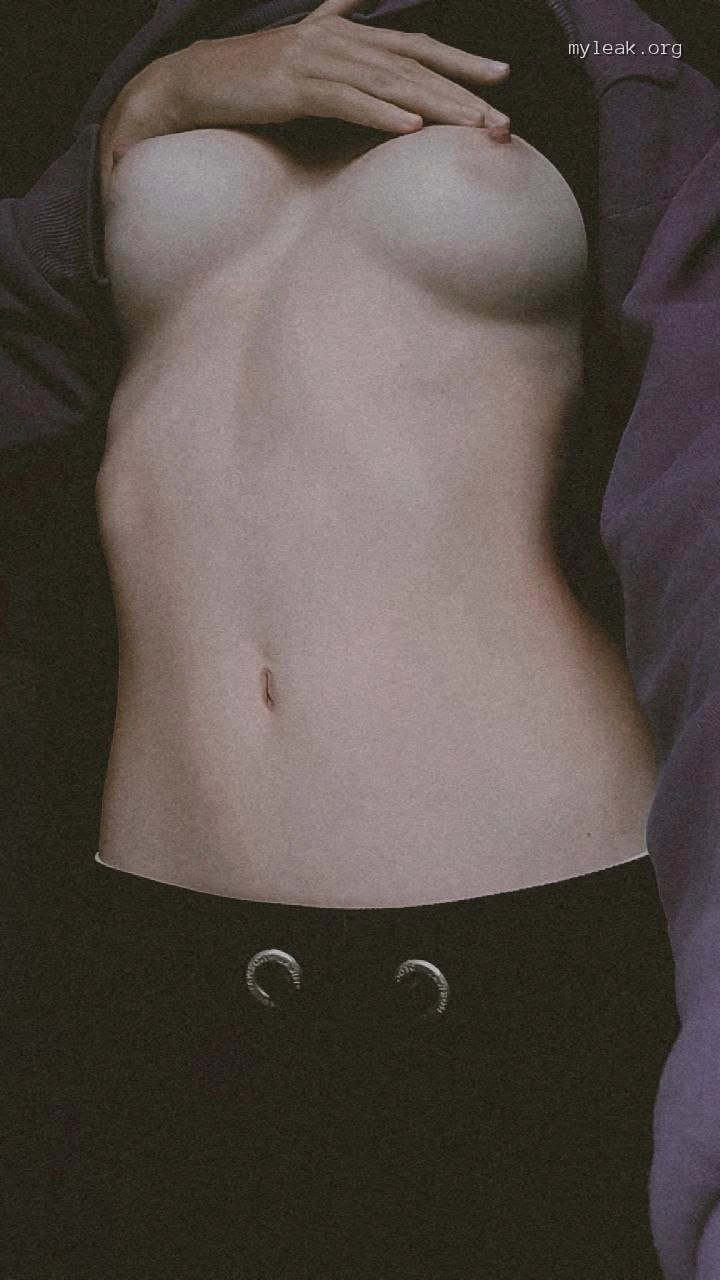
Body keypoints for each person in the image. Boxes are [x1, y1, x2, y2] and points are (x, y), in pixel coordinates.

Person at [3, 0, 718, 1277]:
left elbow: (703, 495)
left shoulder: (617, 57)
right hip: (152, 971)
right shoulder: (169, 48)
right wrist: (145, 108)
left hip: (532, 971)